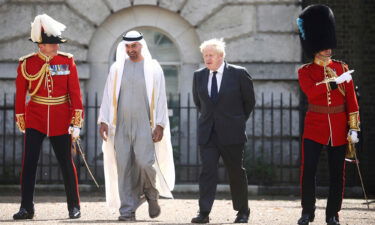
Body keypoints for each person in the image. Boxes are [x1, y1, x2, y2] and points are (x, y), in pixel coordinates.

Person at [98, 30, 175, 221]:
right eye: (128, 46)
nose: (131, 50)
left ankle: (150, 192)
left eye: (134, 46)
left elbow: (161, 99)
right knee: (124, 167)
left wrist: (160, 125)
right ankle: (127, 211)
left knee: (144, 163)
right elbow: (108, 96)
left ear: (142, 45)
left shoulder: (154, 68)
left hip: (144, 125)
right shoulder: (116, 68)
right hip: (120, 126)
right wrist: (103, 121)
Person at [13, 14, 83, 220]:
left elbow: (75, 94)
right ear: (41, 45)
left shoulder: (66, 61)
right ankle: (26, 207)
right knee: (29, 164)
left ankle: (74, 206)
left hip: (61, 118)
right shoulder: (27, 63)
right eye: (52, 44)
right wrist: (21, 119)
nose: (56, 47)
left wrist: (75, 122)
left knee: (66, 164)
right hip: (35, 117)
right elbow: (20, 95)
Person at [296, 5, 360, 225]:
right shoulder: (305, 71)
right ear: (315, 47)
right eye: (324, 47)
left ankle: (333, 213)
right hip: (315, 126)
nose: (328, 50)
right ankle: (307, 212)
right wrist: (333, 83)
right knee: (309, 171)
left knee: (337, 174)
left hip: (339, 126)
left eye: (329, 46)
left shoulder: (342, 68)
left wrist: (353, 127)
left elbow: (352, 101)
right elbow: (312, 94)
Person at [191, 38, 255, 224]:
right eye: (205, 55)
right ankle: (204, 213)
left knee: (236, 172)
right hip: (208, 133)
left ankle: (242, 212)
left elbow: (249, 102)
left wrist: (237, 121)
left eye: (210, 55)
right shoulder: (199, 75)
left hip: (232, 133)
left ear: (221, 56)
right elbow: (199, 103)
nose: (207, 59)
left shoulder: (239, 74)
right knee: (207, 172)